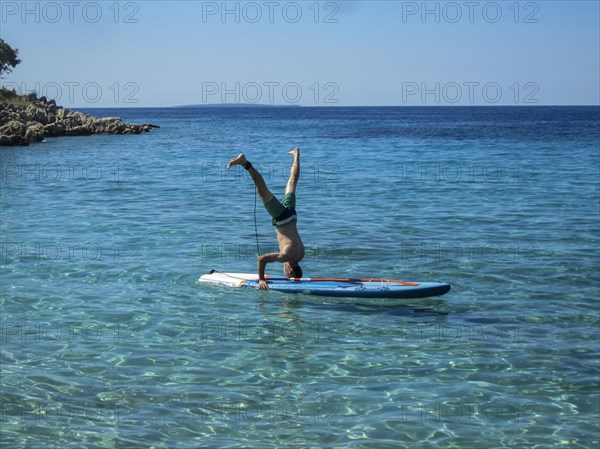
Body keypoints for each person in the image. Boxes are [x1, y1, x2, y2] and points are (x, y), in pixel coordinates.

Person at [227, 148, 305, 290]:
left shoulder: (301, 254)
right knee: (261, 189)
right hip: (282, 217)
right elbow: (262, 259)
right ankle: (245, 163)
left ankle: (296, 155)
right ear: (289, 271)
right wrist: (261, 279)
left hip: (292, 215)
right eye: (286, 273)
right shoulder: (287, 255)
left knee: (292, 181)